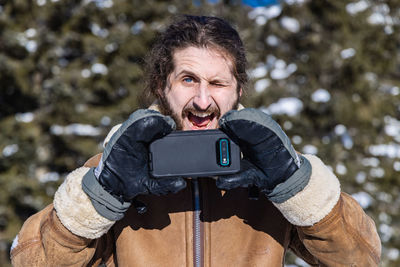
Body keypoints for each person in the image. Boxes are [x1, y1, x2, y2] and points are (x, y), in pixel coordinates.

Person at [11, 15, 381, 266]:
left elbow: (362, 258)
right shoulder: (115, 166)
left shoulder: (273, 166)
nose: (203, 101)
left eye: (218, 83)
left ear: (237, 90)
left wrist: (296, 186)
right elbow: (30, 259)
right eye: (188, 79)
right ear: (162, 85)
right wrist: (102, 195)